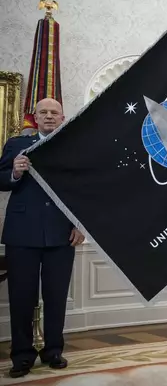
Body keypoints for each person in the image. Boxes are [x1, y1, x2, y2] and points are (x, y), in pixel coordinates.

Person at [0, 98, 85, 378]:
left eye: (54, 113)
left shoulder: (72, 146)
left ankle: (53, 351)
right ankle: (22, 356)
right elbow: (0, 180)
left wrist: (78, 224)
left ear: (62, 118)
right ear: (34, 118)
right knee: (22, 297)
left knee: (56, 296)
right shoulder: (15, 145)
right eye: (43, 112)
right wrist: (14, 171)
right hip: (21, 233)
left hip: (61, 233)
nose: (49, 117)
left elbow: (81, 190)